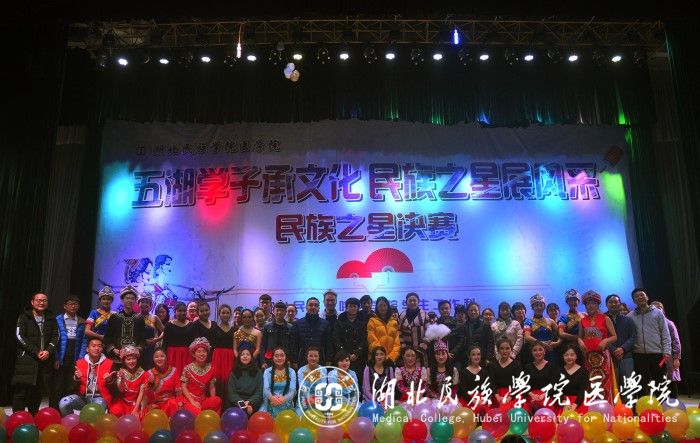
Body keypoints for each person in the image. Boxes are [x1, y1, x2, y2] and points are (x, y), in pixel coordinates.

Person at [12, 292, 59, 414]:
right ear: (32, 302)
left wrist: (48, 351)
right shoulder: (24, 317)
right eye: (38, 300)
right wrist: (37, 352)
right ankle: (17, 420)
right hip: (27, 360)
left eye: (44, 300)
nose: (41, 303)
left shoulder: (51, 319)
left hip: (45, 361)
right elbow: (20, 336)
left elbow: (56, 336)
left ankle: (33, 419)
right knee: (21, 393)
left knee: (37, 393)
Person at [628, 289, 671, 396]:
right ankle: (643, 405)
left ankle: (662, 404)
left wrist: (667, 352)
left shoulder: (658, 313)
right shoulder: (630, 316)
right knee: (641, 385)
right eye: (636, 296)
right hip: (639, 355)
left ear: (647, 297)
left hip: (657, 354)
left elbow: (665, 333)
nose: (639, 297)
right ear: (634, 300)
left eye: (641, 295)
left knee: (660, 383)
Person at [578, 290, 617, 403]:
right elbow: (579, 337)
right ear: (585, 305)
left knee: (604, 381)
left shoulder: (605, 318)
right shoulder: (582, 320)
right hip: (588, 357)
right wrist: (580, 342)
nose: (591, 306)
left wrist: (605, 341)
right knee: (591, 381)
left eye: (593, 303)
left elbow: (614, 337)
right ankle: (592, 408)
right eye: (588, 303)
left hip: (602, 356)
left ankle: (607, 407)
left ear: (598, 304)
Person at [58, 337, 112, 416]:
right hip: (82, 397)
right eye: (93, 346)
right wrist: (76, 378)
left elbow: (115, 389)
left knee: (97, 407)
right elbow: (69, 387)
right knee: (64, 402)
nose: (97, 348)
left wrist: (110, 380)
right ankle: (72, 421)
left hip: (100, 398)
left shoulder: (109, 363)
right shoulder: (79, 363)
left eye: (99, 346)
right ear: (87, 349)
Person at [51, 295, 86, 410]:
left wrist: (80, 359)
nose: (73, 306)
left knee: (70, 385)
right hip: (61, 356)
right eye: (70, 304)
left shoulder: (82, 321)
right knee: (57, 385)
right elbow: (54, 340)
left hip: (74, 357)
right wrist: (56, 358)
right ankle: (54, 411)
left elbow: (84, 341)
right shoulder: (57, 320)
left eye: (76, 304)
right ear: (65, 306)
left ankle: (66, 411)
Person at [104, 285, 146, 364]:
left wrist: (138, 349)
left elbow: (142, 339)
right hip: (117, 358)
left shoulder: (139, 318)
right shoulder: (114, 317)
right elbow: (107, 337)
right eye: (127, 298)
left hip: (134, 359)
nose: (130, 300)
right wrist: (113, 349)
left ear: (135, 301)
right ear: (122, 300)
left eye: (132, 298)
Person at [181, 337, 222, 415]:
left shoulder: (211, 368)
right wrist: (193, 402)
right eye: (198, 351)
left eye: (204, 351)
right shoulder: (187, 368)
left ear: (207, 353)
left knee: (217, 400)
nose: (201, 354)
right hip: (189, 400)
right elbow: (183, 387)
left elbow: (212, 387)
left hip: (203, 400)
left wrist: (213, 402)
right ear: (194, 354)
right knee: (198, 413)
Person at [333, 297, 368, 387]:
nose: (352, 308)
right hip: (343, 357)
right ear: (346, 308)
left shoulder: (362, 320)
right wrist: (345, 353)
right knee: (343, 381)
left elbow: (364, 339)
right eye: (350, 306)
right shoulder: (340, 320)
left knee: (358, 381)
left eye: (355, 306)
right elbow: (337, 338)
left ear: (358, 308)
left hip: (358, 357)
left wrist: (357, 353)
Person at [605, 294, 636, 392]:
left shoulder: (628, 319)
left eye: (616, 302)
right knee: (613, 386)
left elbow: (633, 337)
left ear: (620, 303)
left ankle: (628, 403)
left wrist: (622, 349)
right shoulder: (602, 320)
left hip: (626, 356)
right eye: (611, 302)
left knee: (628, 386)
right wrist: (614, 350)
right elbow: (602, 337)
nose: (613, 304)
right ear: (606, 304)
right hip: (609, 357)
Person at [651, 301, 681, 399]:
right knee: (659, 381)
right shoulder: (652, 324)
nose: (658, 310)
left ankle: (674, 402)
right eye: (655, 308)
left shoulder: (669, 323)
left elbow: (676, 341)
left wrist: (676, 358)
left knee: (670, 381)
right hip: (656, 356)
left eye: (660, 307)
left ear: (663, 310)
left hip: (669, 357)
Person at [291, 297, 332, 367]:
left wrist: (329, 359)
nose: (313, 307)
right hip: (302, 361)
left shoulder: (325, 324)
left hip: (320, 360)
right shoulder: (297, 324)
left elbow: (329, 344)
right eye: (310, 305)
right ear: (306, 307)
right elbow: (293, 344)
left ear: (319, 308)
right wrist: (294, 360)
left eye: (316, 305)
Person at [110, 345, 148, 417]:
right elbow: (121, 390)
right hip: (123, 402)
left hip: (137, 403)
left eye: (134, 358)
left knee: (140, 416)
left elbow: (141, 393)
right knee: (116, 411)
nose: (131, 361)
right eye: (128, 359)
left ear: (137, 359)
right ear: (124, 361)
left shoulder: (143, 373)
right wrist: (122, 379)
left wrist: (135, 410)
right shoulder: (121, 372)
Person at [524, 341, 561, 413]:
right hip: (532, 396)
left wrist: (544, 395)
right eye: (535, 350)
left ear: (544, 351)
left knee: (546, 410)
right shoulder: (528, 367)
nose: (538, 352)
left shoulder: (552, 366)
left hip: (547, 395)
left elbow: (554, 384)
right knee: (526, 411)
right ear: (532, 352)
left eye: (540, 349)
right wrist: (532, 395)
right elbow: (525, 385)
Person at [227, 342, 263, 416]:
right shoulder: (234, 372)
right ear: (239, 357)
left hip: (253, 404)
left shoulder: (258, 372)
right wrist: (243, 404)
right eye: (242, 354)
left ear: (251, 357)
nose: (245, 356)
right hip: (237, 404)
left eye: (248, 354)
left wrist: (249, 402)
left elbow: (259, 392)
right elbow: (232, 393)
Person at [488, 337, 522, 411]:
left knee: (507, 409)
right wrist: (497, 396)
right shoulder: (492, 365)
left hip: (512, 394)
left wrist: (510, 397)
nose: (504, 351)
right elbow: (491, 382)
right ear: (498, 350)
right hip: (497, 395)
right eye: (502, 348)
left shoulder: (516, 365)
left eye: (507, 348)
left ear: (511, 349)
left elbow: (518, 384)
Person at [524, 294, 561, 363]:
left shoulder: (551, 321)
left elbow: (560, 336)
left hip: (550, 352)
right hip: (536, 353)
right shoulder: (528, 321)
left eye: (541, 305)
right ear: (532, 307)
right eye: (536, 305)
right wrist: (542, 344)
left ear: (544, 307)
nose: (539, 307)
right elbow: (527, 337)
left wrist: (557, 343)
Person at [260, 347, 296, 417]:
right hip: (270, 402)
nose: (279, 358)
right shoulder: (267, 371)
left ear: (286, 357)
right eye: (276, 356)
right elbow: (266, 389)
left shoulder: (291, 372)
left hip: (286, 402)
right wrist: (272, 398)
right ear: (273, 358)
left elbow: (292, 391)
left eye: (282, 355)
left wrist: (283, 399)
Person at [145, 348, 180, 416]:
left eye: (162, 356)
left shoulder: (174, 371)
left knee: (172, 403)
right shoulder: (149, 373)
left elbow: (178, 390)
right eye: (156, 357)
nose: (159, 359)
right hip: (155, 404)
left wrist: (180, 402)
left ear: (166, 357)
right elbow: (148, 398)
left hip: (170, 403)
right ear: (153, 359)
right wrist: (150, 384)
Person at [425, 334, 459, 403]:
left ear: (447, 355)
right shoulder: (429, 370)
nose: (441, 357)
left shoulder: (453, 370)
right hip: (435, 400)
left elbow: (455, 388)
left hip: (449, 400)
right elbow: (428, 388)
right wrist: (439, 397)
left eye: (443, 353)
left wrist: (448, 397)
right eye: (438, 354)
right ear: (434, 356)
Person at [212, 304, 235, 404]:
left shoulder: (235, 329)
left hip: (230, 356)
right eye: (223, 313)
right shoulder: (214, 328)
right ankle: (217, 404)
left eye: (227, 313)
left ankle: (228, 405)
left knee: (229, 380)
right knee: (217, 380)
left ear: (230, 314)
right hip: (218, 356)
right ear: (219, 314)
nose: (225, 315)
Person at [81, 286, 114, 356]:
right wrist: (100, 336)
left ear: (112, 301)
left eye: (109, 299)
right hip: (96, 345)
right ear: (100, 300)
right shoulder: (94, 313)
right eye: (104, 299)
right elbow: (87, 331)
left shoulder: (115, 314)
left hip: (110, 346)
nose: (106, 301)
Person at [367, 297, 401, 364]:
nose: (383, 308)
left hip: (391, 361)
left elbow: (397, 343)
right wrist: (381, 355)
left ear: (388, 307)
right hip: (376, 359)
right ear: (377, 307)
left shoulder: (394, 322)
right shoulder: (372, 321)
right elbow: (372, 341)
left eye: (385, 305)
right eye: (380, 305)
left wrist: (391, 357)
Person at [398, 292, 429, 365]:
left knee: (421, 370)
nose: (412, 302)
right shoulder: (402, 315)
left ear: (418, 302)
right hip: (406, 352)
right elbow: (399, 331)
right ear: (406, 302)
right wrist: (403, 346)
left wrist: (421, 348)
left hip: (421, 352)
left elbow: (429, 333)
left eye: (414, 300)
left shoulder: (424, 315)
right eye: (410, 300)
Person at [296, 346, 327, 415]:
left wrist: (316, 399)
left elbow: (323, 387)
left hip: (320, 398)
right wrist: (309, 398)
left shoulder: (323, 370)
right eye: (311, 356)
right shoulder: (301, 370)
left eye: (316, 356)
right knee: (300, 416)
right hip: (304, 398)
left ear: (319, 357)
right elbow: (302, 387)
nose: (313, 358)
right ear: (307, 357)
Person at [261, 302, 293, 369]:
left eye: (282, 310)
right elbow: (263, 345)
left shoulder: (290, 327)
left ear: (285, 312)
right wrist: (263, 361)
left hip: (285, 360)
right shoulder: (267, 326)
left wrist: (291, 360)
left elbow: (292, 346)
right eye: (277, 310)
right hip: (269, 360)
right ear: (273, 311)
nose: (279, 312)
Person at [162, 302, 192, 373]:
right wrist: (164, 356)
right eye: (179, 311)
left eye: (184, 310)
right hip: (172, 355)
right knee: (173, 374)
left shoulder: (191, 324)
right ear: (175, 312)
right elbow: (165, 343)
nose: (182, 313)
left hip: (187, 354)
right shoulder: (168, 325)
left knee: (187, 375)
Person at [459, 345, 488, 416]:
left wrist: (485, 399)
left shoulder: (485, 372)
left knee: (482, 409)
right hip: (468, 399)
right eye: (473, 354)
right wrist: (473, 400)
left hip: (481, 399)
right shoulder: (464, 372)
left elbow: (488, 388)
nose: (476, 357)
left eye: (478, 354)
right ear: (469, 356)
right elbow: (463, 391)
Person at [138, 293, 165, 370]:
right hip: (139, 347)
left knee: (151, 369)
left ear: (150, 305)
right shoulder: (135, 317)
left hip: (151, 348)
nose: (144, 304)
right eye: (142, 302)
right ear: (138, 304)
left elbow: (164, 331)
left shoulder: (154, 317)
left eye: (147, 302)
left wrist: (157, 339)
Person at [560, 343, 588, 413]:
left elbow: (583, 391)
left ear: (576, 356)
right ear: (563, 356)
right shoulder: (558, 371)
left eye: (572, 355)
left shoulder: (583, 371)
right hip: (563, 402)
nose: (569, 357)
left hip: (579, 401)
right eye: (566, 355)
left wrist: (575, 405)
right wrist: (564, 402)